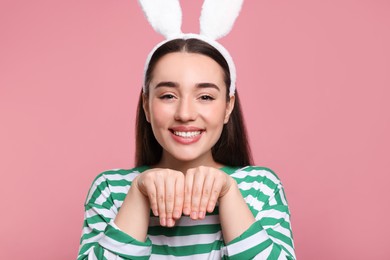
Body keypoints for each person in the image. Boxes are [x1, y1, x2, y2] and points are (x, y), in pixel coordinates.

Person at [77, 37, 295, 259]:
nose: (185, 114)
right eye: (168, 96)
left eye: (205, 97)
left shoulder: (260, 187)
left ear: (228, 107)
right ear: (146, 104)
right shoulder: (111, 191)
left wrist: (228, 192)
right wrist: (137, 196)